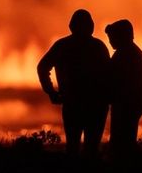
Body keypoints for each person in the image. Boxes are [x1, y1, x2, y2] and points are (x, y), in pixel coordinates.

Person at [37, 9, 110, 157]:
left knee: (73, 147)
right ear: (91, 26)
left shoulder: (62, 45)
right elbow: (109, 75)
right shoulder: (98, 47)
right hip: (95, 106)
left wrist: (51, 92)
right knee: (92, 149)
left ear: (71, 26)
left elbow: (42, 67)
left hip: (73, 104)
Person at [105, 19, 142, 158]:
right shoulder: (130, 52)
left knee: (121, 143)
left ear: (121, 36)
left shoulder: (125, 55)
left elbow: (114, 79)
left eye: (112, 37)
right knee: (125, 141)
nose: (110, 41)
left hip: (126, 105)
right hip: (131, 104)